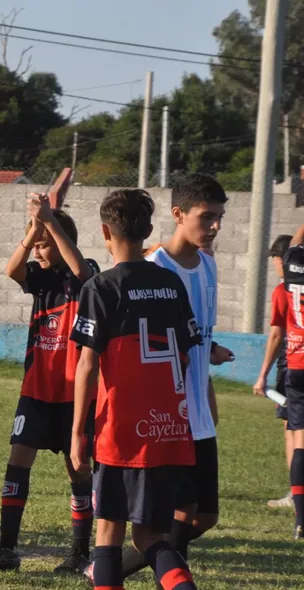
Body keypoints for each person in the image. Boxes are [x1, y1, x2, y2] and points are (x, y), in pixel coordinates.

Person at [71, 188, 200, 590]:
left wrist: (78, 432)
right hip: (167, 431)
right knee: (150, 537)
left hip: (122, 432)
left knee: (107, 534)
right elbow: (185, 355)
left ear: (105, 231)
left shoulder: (101, 287)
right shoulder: (172, 284)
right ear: (146, 231)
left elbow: (87, 365)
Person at [0, 194, 98, 574]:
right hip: (36, 391)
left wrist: (51, 225)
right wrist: (33, 230)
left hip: (73, 394)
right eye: (38, 245)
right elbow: (12, 270)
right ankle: (7, 548)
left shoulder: (83, 270)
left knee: (77, 469)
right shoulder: (39, 277)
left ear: (61, 241)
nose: (40, 253)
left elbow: (82, 271)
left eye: (45, 245)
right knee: (17, 461)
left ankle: (80, 553)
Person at [139, 174, 226, 567]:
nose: (215, 227)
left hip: (200, 415)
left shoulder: (209, 266)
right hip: (168, 415)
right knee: (181, 509)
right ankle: (173, 577)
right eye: (206, 217)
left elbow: (197, 334)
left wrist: (209, 355)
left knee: (205, 516)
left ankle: (107, 567)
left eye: (219, 218)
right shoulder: (153, 269)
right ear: (178, 214)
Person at [252, 235, 296, 509]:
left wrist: (262, 374)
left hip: (292, 363)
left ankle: (297, 493)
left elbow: (276, 335)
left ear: (281, 260)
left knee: (292, 428)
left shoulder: (283, 290)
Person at [279, 224, 304, 539]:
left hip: (296, 365)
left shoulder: (292, 270)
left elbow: (295, 242)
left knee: (300, 441)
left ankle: (301, 517)